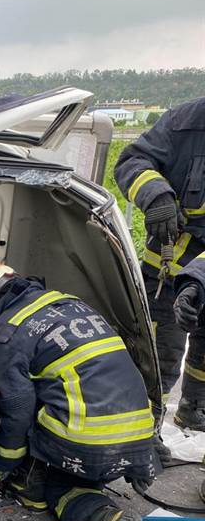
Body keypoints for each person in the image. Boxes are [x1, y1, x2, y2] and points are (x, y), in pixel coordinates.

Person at [0, 262, 156, 521]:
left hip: (88, 439)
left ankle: (67, 496)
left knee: (43, 487)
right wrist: (147, 449)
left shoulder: (5, 332)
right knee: (61, 409)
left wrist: (1, 465)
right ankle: (106, 517)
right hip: (139, 432)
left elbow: (18, 408)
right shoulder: (69, 303)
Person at [114, 98, 205, 430]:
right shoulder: (185, 121)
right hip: (167, 269)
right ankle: (144, 430)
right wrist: (156, 195)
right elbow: (131, 161)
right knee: (157, 356)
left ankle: (195, 407)